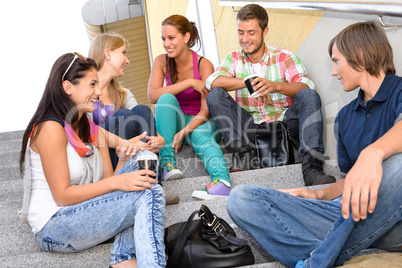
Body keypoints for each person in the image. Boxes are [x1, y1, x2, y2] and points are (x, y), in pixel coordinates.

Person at [227, 21, 402, 268]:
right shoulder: (345, 117)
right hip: (345, 215)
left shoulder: (399, 91)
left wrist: (373, 154)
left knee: (399, 165)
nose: (333, 72)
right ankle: (334, 253)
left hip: (392, 222)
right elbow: (347, 181)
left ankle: (316, 262)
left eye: (336, 60)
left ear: (360, 56)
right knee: (241, 199)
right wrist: (317, 194)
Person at [19, 53, 166, 267]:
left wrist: (152, 144)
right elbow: (63, 197)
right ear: (68, 87)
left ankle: (124, 258)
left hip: (84, 211)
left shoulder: (87, 126)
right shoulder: (50, 128)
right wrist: (118, 182)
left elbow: (133, 149)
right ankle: (128, 259)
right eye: (92, 84)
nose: (99, 92)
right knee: (149, 193)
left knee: (145, 160)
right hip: (55, 224)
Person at [205, 4, 335, 186]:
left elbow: (306, 85)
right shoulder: (233, 58)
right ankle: (243, 157)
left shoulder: (284, 56)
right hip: (249, 128)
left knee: (309, 95)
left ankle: (312, 168)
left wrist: (275, 86)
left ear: (265, 31)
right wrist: (248, 82)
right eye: (240, 32)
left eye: (251, 32)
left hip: (285, 125)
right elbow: (212, 81)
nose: (244, 39)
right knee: (215, 95)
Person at [148, 14, 231, 200]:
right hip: (173, 125)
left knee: (200, 134)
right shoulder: (161, 62)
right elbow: (153, 95)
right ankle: (168, 164)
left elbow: (206, 110)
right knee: (165, 98)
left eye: (171, 38)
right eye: (163, 39)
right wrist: (190, 83)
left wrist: (185, 131)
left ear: (185, 37)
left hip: (200, 122)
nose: (166, 43)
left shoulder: (203, 64)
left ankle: (222, 182)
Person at [88, 33, 164, 171]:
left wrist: (159, 140)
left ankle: (151, 179)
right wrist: (126, 143)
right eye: (123, 53)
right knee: (124, 115)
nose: (127, 61)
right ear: (108, 54)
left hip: (129, 153)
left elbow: (144, 121)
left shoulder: (123, 94)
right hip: (102, 160)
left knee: (142, 110)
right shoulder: (85, 91)